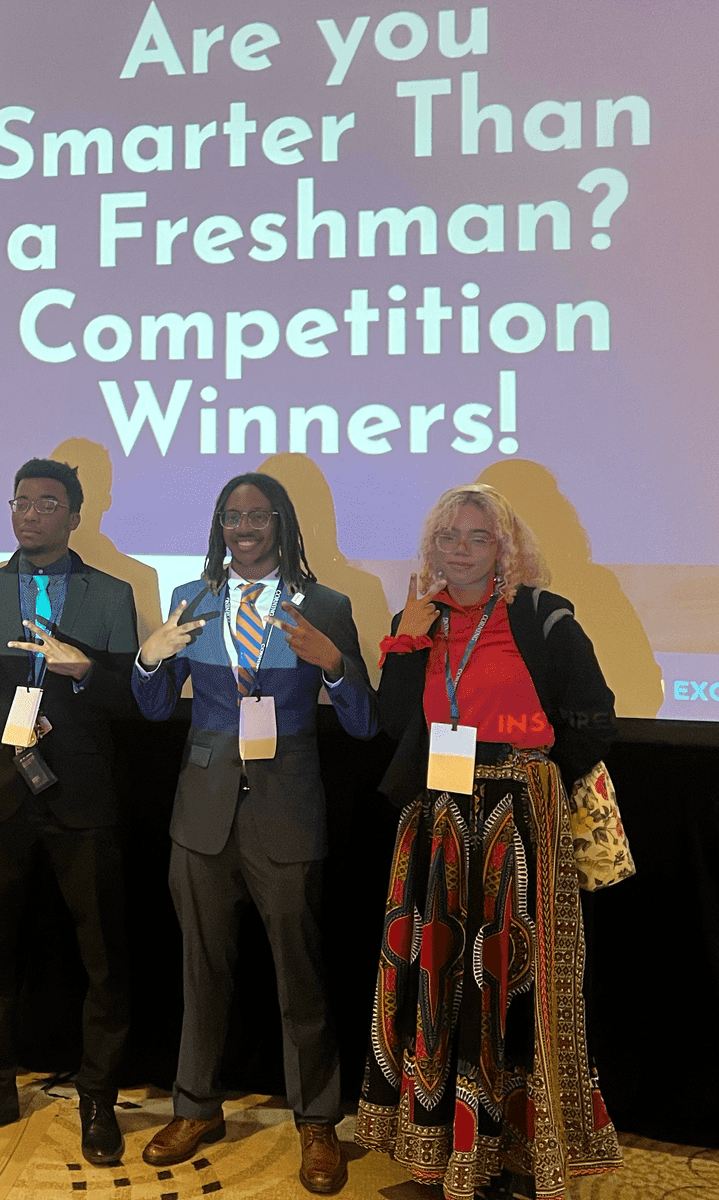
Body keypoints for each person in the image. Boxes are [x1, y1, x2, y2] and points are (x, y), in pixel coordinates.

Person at [357, 483, 623, 1200]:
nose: (462, 550)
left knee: (510, 986)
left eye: (478, 537)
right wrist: (407, 640)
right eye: (450, 537)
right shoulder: (419, 618)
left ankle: (515, 1165)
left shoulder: (543, 617)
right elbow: (390, 725)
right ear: (432, 547)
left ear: (505, 548)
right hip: (438, 817)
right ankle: (435, 1162)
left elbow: (597, 720)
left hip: (516, 819)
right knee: (436, 985)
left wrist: (531, 773)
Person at [132, 472, 374, 1196]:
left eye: (257, 516)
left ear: (281, 523)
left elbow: (363, 720)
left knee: (300, 975)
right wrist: (150, 657)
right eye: (232, 516)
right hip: (201, 815)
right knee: (201, 972)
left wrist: (334, 665)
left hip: (287, 812)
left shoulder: (325, 604)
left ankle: (318, 1120)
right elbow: (149, 708)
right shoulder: (193, 602)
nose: (244, 527)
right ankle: (195, 1106)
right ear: (219, 526)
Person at [0, 458, 141, 1165]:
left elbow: (134, 702)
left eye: (47, 503)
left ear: (77, 515)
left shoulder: (113, 593)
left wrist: (87, 673)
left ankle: (98, 1098)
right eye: (21, 501)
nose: (30, 513)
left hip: (82, 800)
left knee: (103, 960)